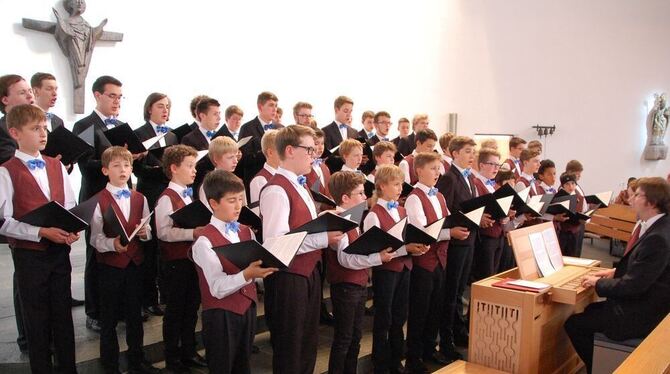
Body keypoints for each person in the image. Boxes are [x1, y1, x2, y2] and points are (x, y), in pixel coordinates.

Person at [259, 125, 344, 373]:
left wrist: (325, 217)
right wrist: (323, 238)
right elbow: (276, 244)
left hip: (308, 271)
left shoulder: (300, 184)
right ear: (289, 150)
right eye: (309, 149)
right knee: (290, 348)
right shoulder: (276, 189)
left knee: (308, 343)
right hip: (289, 277)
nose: (314, 154)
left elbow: (300, 225)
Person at [0, 104, 78, 373]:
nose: (43, 134)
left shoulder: (56, 165)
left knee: (63, 318)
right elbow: (3, 222)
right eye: (35, 129)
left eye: (44, 128)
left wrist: (72, 228)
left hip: (59, 254)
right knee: (37, 320)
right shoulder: (6, 171)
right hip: (30, 256)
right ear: (14, 133)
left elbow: (69, 205)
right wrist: (39, 232)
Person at [564, 177, 670, 374]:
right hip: (647, 303)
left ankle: (601, 369)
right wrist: (614, 272)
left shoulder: (658, 237)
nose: (631, 199)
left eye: (637, 195)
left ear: (652, 202)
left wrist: (598, 283)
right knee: (588, 310)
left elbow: (633, 287)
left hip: (641, 313)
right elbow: (646, 268)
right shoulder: (661, 225)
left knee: (574, 324)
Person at [193, 170, 277, 374]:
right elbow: (217, 288)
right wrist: (247, 275)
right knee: (223, 367)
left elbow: (257, 262)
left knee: (243, 365)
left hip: (247, 308)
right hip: (221, 315)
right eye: (232, 200)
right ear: (214, 203)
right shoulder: (204, 241)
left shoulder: (245, 231)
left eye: (241, 199)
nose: (239, 206)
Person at [73, 75, 136, 332]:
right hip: (97, 196)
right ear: (97, 95)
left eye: (120, 96)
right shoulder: (85, 124)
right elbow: (85, 164)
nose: (117, 101)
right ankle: (94, 311)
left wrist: (133, 158)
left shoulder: (121, 125)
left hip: (123, 196)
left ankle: (119, 307)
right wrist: (113, 163)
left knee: (122, 250)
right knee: (96, 254)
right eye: (112, 95)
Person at [89, 146, 158, 374]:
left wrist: (144, 233)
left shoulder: (140, 197)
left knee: (134, 316)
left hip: (135, 264)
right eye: (117, 166)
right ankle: (110, 365)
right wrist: (112, 245)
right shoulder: (99, 200)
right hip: (110, 266)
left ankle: (137, 361)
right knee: (108, 318)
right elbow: (95, 238)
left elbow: (147, 228)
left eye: (127, 165)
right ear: (105, 170)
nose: (123, 170)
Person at [405, 152, 470, 371]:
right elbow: (421, 231)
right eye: (433, 168)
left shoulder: (440, 196)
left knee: (436, 309)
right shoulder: (415, 197)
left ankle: (429, 349)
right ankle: (414, 358)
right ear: (419, 170)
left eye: (439, 169)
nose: (437, 173)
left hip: (441, 260)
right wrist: (450, 233)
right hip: (424, 262)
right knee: (419, 312)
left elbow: (448, 219)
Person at [326, 171, 393, 373]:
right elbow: (345, 259)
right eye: (360, 193)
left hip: (358, 284)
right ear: (345, 198)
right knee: (344, 339)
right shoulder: (338, 220)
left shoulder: (353, 218)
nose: (365, 197)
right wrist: (376, 258)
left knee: (355, 338)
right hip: (346, 286)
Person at [363, 164, 426, 373]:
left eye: (401, 184)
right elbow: (376, 248)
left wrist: (415, 248)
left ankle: (396, 358)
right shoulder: (374, 214)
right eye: (395, 184)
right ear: (381, 186)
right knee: (384, 316)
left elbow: (406, 237)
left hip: (405, 267)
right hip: (386, 271)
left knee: (400, 316)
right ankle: (380, 362)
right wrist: (405, 249)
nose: (400, 188)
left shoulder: (401, 209)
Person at [435, 136, 493, 360]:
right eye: (467, 151)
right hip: (456, 242)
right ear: (454, 153)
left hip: (469, 240)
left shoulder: (468, 178)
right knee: (451, 293)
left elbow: (469, 208)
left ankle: (458, 333)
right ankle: (446, 340)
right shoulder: (449, 178)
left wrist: (480, 218)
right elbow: (447, 212)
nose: (471, 156)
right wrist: (469, 220)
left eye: (473, 152)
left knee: (460, 292)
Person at [155, 145, 207, 372]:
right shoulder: (167, 198)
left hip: (191, 260)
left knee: (191, 309)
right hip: (175, 263)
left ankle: (189, 351)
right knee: (175, 311)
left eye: (195, 166)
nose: (194, 171)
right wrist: (192, 232)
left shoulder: (187, 194)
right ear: (174, 168)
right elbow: (163, 232)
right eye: (189, 166)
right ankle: (172, 359)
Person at [134, 92, 179, 317]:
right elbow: (136, 169)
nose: (165, 110)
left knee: (166, 246)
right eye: (160, 106)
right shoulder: (138, 133)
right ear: (149, 108)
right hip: (150, 193)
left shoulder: (172, 135)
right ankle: (148, 298)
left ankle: (165, 293)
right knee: (149, 248)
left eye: (168, 106)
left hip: (169, 193)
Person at [0, 74, 35, 164]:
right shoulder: (2, 129)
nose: (30, 96)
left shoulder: (39, 124)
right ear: (5, 100)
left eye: (30, 91)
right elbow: (8, 161)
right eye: (22, 93)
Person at [249, 130, 280, 209]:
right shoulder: (260, 180)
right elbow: (258, 212)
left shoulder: (285, 174)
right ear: (270, 153)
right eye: (281, 150)